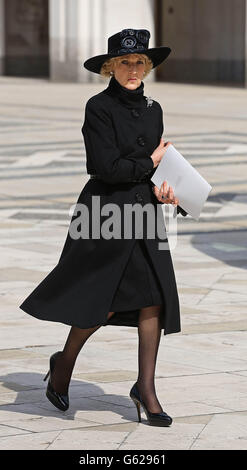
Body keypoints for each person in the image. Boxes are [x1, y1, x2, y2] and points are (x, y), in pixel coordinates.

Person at [19, 28, 187, 427]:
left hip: (144, 212)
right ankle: (63, 365)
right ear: (110, 67)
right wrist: (149, 161)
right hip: (104, 214)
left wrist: (167, 192)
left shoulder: (153, 107)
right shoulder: (98, 107)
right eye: (125, 62)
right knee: (102, 300)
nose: (133, 69)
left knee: (154, 300)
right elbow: (104, 167)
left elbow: (154, 165)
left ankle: (145, 388)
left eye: (140, 62)